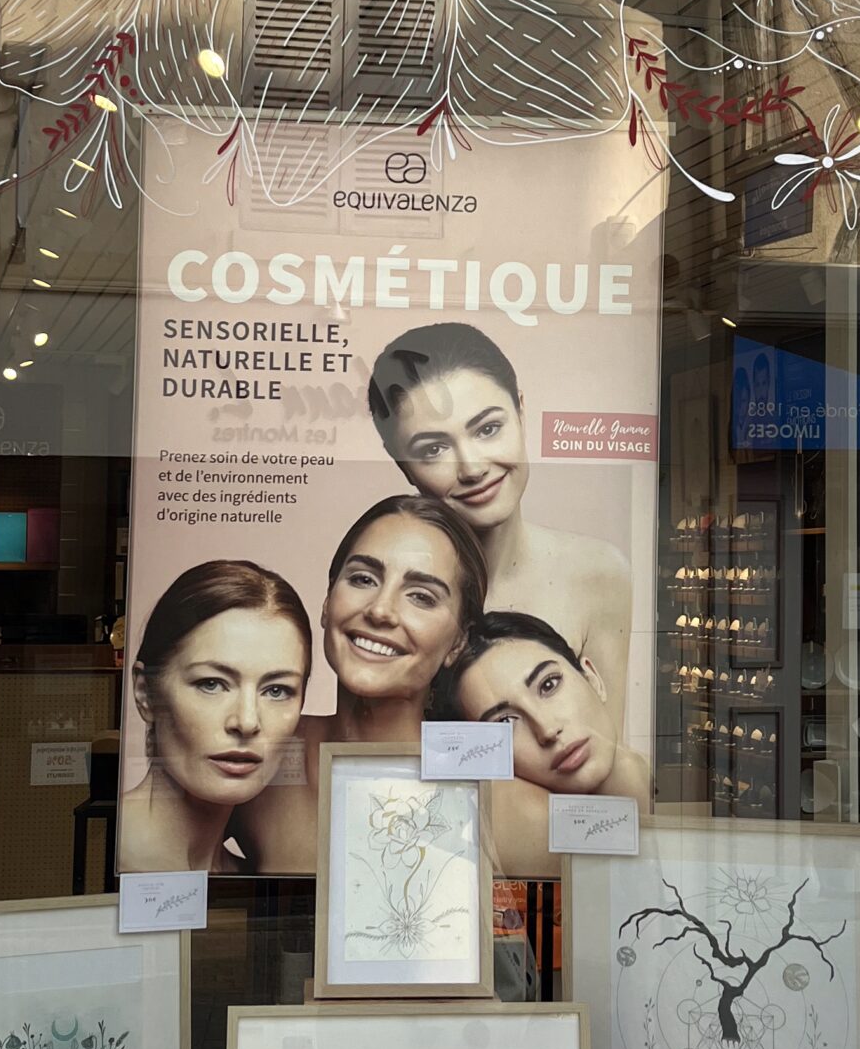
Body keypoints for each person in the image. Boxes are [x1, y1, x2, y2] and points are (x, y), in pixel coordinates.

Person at [366, 321, 633, 728]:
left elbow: (609, 754)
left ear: (521, 412)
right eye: (434, 449)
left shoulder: (598, 573)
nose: (472, 468)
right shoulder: (383, 596)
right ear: (402, 465)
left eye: (488, 429)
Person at [230, 494, 487, 875]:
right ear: (327, 600)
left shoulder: (488, 790)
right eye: (363, 579)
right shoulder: (260, 749)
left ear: (459, 643)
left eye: (421, 597)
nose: (380, 610)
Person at [117, 561, 312, 873]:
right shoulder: (106, 857)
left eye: (276, 690)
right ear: (146, 694)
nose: (247, 722)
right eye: (211, 684)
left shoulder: (249, 880)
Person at [429, 610, 651, 874]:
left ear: (592, 679)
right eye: (505, 722)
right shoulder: (512, 822)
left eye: (548, 685)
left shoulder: (665, 788)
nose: (547, 729)